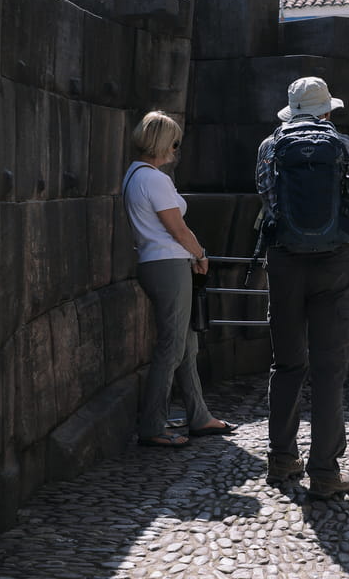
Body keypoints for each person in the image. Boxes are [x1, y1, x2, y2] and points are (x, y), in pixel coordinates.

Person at [256, 77, 349, 499]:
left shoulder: (270, 147)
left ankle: (282, 458)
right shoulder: (345, 147)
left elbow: (268, 202)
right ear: (326, 111)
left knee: (286, 364)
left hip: (284, 262)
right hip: (335, 263)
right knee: (329, 370)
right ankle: (324, 471)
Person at [123, 111, 235, 448]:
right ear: (161, 143)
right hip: (169, 265)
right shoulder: (154, 179)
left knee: (186, 344)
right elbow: (177, 228)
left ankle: (199, 415)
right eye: (174, 142)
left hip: (157, 263)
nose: (176, 148)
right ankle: (152, 427)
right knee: (172, 348)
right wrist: (201, 254)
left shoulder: (134, 174)